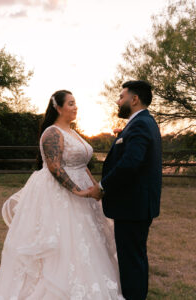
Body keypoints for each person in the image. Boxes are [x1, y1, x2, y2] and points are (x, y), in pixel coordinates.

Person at [0, 90, 124, 299]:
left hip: (85, 195)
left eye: (76, 103)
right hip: (60, 194)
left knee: (88, 243)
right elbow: (55, 168)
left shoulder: (72, 132)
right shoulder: (52, 133)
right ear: (58, 107)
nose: (75, 107)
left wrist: (95, 187)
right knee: (62, 241)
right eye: (71, 103)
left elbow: (82, 164)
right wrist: (78, 191)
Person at [90, 81, 162, 300]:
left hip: (133, 206)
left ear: (134, 99)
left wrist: (102, 186)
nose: (118, 101)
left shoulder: (140, 124)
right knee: (135, 257)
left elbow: (131, 163)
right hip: (137, 205)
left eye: (122, 96)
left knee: (131, 259)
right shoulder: (143, 123)